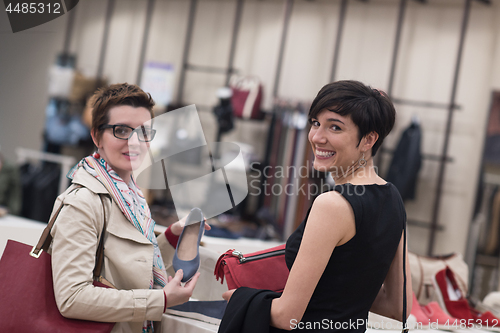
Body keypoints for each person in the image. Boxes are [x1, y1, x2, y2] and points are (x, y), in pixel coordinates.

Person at [219, 80, 413, 332]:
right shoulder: (392, 198)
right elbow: (398, 307)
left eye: (335, 127)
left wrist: (241, 299)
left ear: (368, 139)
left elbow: (287, 317)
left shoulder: (333, 204)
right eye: (315, 123)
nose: (317, 137)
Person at [49, 83, 209, 333]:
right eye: (121, 130)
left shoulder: (131, 197)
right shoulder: (84, 203)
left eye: (144, 132)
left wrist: (172, 236)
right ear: (96, 136)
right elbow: (72, 298)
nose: (134, 142)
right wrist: (161, 300)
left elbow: (129, 267)